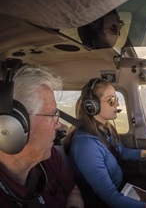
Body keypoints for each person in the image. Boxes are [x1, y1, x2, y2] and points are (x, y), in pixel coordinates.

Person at [64, 78, 146, 208]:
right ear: (92, 106)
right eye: (111, 100)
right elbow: (111, 198)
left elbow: (121, 152)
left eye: (117, 99)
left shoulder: (104, 128)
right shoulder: (86, 147)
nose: (117, 105)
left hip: (123, 186)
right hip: (108, 201)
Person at [0, 63, 84, 208]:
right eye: (52, 114)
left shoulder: (50, 156)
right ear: (13, 125)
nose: (59, 125)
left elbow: (73, 189)